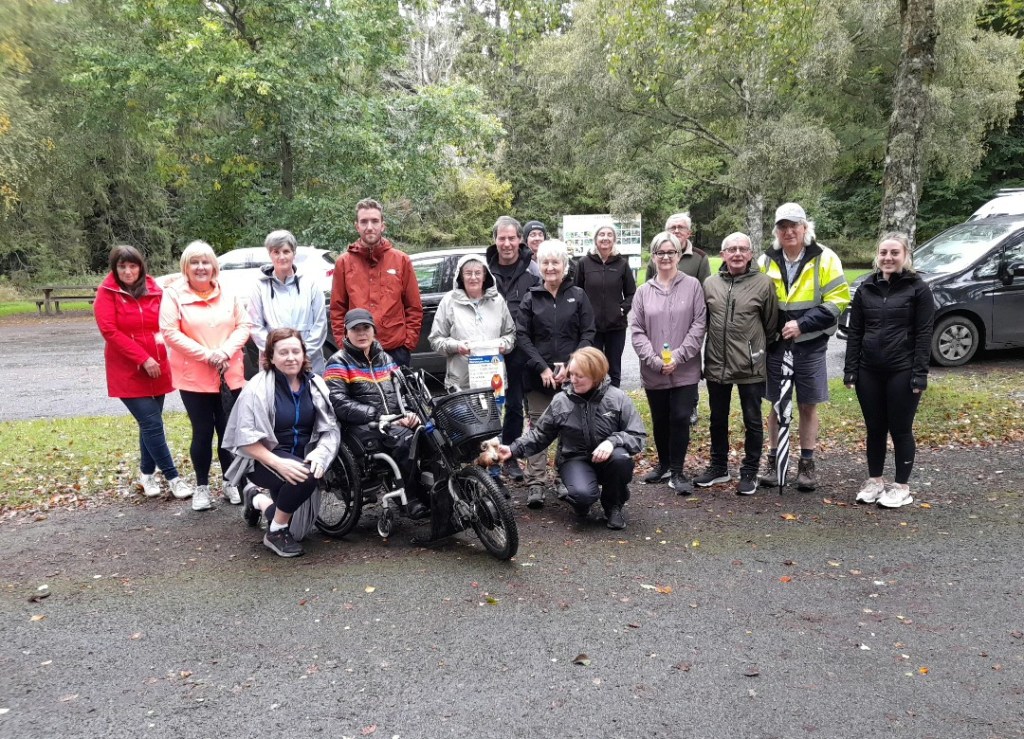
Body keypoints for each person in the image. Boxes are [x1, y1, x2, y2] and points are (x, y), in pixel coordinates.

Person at [222, 328, 340, 558]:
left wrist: (321, 454)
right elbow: (245, 441)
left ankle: (256, 499)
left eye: (295, 351)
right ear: (271, 357)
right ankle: (275, 532)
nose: (290, 357)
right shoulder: (257, 389)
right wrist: (279, 464)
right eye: (283, 352)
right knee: (306, 477)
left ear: (304, 354)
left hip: (301, 458)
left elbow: (331, 427)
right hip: (263, 459)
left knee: (298, 530)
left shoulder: (316, 385)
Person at [498, 348, 645, 530]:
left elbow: (637, 435)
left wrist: (612, 442)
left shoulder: (618, 398)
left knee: (621, 459)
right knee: (583, 496)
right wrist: (512, 449)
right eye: (571, 374)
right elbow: (540, 435)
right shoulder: (561, 401)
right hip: (575, 458)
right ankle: (581, 500)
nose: (573, 380)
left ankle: (613, 505)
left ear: (596, 375)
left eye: (579, 376)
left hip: (609, 458)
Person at [758, 202, 850, 491]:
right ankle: (775, 460)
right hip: (777, 346)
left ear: (805, 227)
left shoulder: (825, 258)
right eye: (783, 226)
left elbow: (838, 300)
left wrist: (802, 324)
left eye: (794, 225)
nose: (789, 231)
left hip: (810, 344)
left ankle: (807, 464)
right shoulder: (765, 260)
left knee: (807, 404)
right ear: (776, 231)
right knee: (776, 404)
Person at [95, 245, 192, 501]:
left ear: (140, 267)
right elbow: (109, 331)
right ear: (115, 268)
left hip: (157, 368)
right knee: (151, 423)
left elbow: (169, 318)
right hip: (127, 370)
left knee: (149, 424)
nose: (128, 271)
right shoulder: (107, 293)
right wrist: (142, 358)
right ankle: (173, 478)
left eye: (132, 266)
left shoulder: (154, 289)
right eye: (122, 267)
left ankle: (147, 473)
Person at [843, 233, 934, 508]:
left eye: (895, 253)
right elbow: (855, 331)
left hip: (902, 369)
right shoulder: (866, 287)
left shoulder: (918, 289)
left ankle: (902, 487)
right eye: (883, 252)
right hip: (869, 370)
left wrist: (920, 374)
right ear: (877, 255)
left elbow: (924, 334)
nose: (888, 258)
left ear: (905, 256)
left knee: (900, 429)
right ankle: (875, 481)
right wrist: (850, 369)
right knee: (875, 428)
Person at [160, 240, 250, 511]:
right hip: (194, 379)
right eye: (195, 263)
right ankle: (202, 487)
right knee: (202, 432)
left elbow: (244, 325)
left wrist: (225, 351)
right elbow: (170, 332)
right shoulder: (174, 295)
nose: (201, 267)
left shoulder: (229, 293)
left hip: (229, 375)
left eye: (205, 262)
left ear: (214, 266)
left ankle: (230, 481)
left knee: (228, 431)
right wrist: (207, 354)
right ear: (185, 267)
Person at [324, 309, 431, 519]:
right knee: (405, 440)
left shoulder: (385, 358)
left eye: (366, 328)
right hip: (361, 426)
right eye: (355, 329)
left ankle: (433, 490)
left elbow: (403, 391)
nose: (361, 333)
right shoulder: (338, 362)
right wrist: (375, 415)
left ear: (374, 330)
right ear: (346, 332)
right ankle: (409, 498)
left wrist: (409, 413)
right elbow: (338, 402)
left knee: (430, 432)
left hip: (393, 421)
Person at [693, 233, 778, 495]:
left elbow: (770, 324)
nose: (737, 253)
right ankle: (719, 467)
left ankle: (750, 470)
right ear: (723, 254)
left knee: (752, 419)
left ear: (750, 254)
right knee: (717, 418)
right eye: (732, 249)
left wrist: (755, 350)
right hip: (717, 363)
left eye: (743, 249)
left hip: (749, 365)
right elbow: (703, 322)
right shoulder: (710, 284)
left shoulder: (764, 283)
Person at [516, 238, 596, 508]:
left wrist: (572, 365)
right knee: (539, 427)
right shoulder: (531, 298)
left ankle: (564, 478)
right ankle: (536, 483)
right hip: (538, 378)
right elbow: (522, 336)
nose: (550, 267)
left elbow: (588, 333)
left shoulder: (579, 296)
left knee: (568, 429)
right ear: (539, 265)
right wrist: (542, 367)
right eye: (545, 262)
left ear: (564, 265)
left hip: (572, 378)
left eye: (555, 262)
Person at [630, 231, 706, 494]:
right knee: (660, 418)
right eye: (660, 253)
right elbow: (637, 330)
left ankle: (677, 471)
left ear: (678, 255)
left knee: (681, 416)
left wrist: (679, 356)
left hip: (685, 368)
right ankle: (663, 465)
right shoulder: (643, 292)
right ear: (653, 256)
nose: (665, 257)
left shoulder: (693, 286)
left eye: (670, 252)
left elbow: (699, 324)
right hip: (654, 370)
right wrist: (654, 361)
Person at [329, 198, 423, 367]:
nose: (369, 227)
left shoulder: (401, 260)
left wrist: (408, 343)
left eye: (374, 221)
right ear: (357, 226)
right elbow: (337, 309)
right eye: (364, 222)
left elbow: (413, 307)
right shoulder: (344, 263)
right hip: (357, 352)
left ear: (382, 225)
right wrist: (344, 344)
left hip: (395, 350)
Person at [486, 215, 541, 482]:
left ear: (520, 239)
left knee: (515, 405)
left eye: (511, 238)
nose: (506, 243)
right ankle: (488, 457)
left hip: (519, 349)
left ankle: (509, 456)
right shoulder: (484, 270)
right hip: (488, 350)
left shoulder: (533, 270)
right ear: (494, 240)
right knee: (487, 405)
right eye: (502, 238)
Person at [428, 254, 515, 391]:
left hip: (494, 381)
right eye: (468, 273)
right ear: (461, 276)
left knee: (495, 407)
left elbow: (510, 334)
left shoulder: (497, 301)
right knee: (465, 407)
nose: (473, 277)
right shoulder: (449, 301)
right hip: (461, 385)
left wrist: (504, 345)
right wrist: (457, 346)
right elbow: (435, 340)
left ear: (485, 275)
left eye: (478, 273)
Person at [248, 229, 328, 374]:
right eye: (276, 252)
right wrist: (278, 354)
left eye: (286, 251)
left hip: (308, 362)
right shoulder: (259, 287)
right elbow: (255, 326)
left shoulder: (310, 284)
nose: (281, 257)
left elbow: (320, 324)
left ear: (294, 253)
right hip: (274, 363)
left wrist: (301, 354)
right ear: (270, 254)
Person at [574, 223, 636, 388]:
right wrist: (582, 315)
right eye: (602, 234)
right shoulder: (584, 263)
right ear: (595, 239)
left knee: (614, 368)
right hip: (591, 328)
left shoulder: (622, 264)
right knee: (593, 368)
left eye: (609, 234)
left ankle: (613, 401)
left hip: (616, 327)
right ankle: (595, 400)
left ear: (614, 239)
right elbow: (576, 292)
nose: (605, 238)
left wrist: (622, 309)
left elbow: (631, 293)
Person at [645, 213, 711, 284]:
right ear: (666, 232)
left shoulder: (700, 258)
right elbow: (649, 286)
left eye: (681, 227)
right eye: (673, 228)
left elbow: (704, 287)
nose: (676, 231)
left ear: (688, 233)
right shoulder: (657, 255)